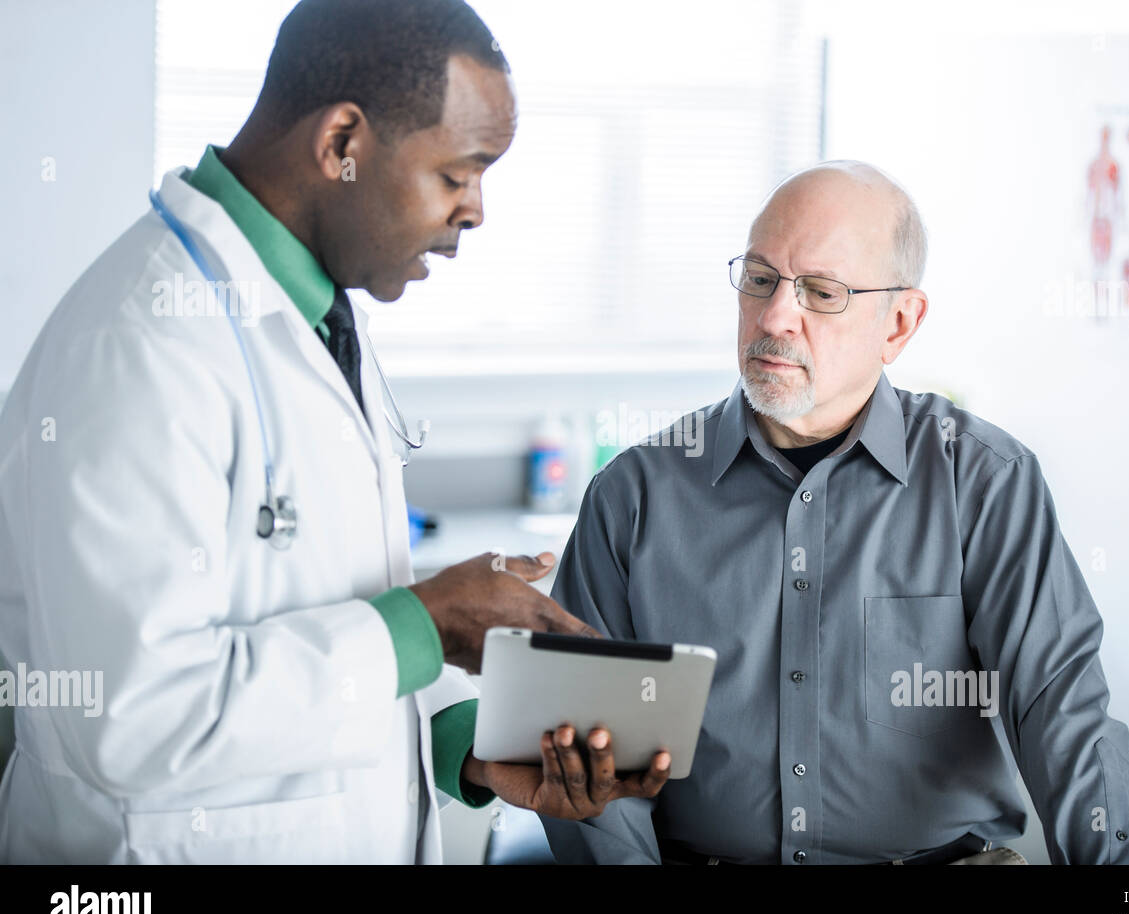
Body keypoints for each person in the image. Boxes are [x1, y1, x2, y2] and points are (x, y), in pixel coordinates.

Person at [0, 0, 667, 864]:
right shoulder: (139, 345)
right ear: (343, 144)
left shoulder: (310, 319)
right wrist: (431, 622)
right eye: (458, 173)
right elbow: (132, 718)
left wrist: (464, 739)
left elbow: (323, 610)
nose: (476, 212)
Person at [540, 160, 1129, 865]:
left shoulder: (985, 483)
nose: (773, 318)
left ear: (898, 323)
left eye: (821, 293)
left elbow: (1061, 713)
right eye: (759, 280)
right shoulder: (633, 497)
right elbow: (588, 766)